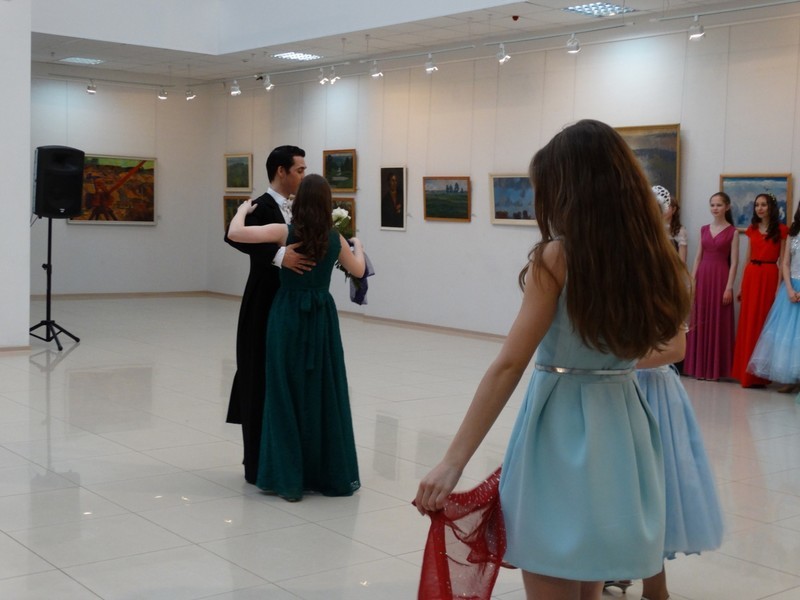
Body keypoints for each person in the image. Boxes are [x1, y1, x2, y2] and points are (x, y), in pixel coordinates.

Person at [415, 119, 691, 600]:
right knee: (587, 579)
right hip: (623, 427)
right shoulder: (654, 257)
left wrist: (452, 461)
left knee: (554, 567)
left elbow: (509, 364)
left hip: (562, 427)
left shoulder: (557, 257)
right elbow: (666, 345)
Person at [228, 174, 365, 501]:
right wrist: (358, 246)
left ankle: (286, 474)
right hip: (321, 318)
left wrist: (242, 210)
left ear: (299, 202)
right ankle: (323, 470)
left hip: (287, 316)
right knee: (321, 390)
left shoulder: (284, 232)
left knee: (283, 391)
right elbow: (359, 270)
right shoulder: (335, 238)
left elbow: (235, 233)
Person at [224, 145, 311, 484]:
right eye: (299, 170)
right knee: (257, 374)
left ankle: (287, 456)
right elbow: (234, 238)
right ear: (281, 171)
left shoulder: (302, 206)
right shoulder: (259, 206)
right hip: (263, 302)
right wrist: (278, 257)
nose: (303, 175)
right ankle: (256, 463)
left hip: (293, 304)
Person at [633, 330, 724, 600]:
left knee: (652, 486)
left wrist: (616, 361)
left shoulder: (666, 298)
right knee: (623, 486)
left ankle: (654, 588)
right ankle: (620, 569)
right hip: (618, 384)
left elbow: (675, 350)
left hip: (652, 390)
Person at [731, 193, 788, 387]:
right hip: (752, 276)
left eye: (763, 205)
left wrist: (778, 288)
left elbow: (783, 261)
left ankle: (759, 376)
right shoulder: (752, 229)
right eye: (757, 205)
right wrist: (741, 286)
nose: (760, 208)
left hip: (770, 276)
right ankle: (744, 373)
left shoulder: (781, 230)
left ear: (771, 207)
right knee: (747, 323)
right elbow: (747, 258)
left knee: (763, 323)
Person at [684, 192, 739, 381]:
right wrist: (692, 281)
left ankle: (715, 370)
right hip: (703, 277)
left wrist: (729, 287)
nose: (715, 208)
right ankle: (698, 368)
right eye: (712, 205)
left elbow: (734, 263)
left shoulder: (733, 232)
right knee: (700, 319)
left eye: (719, 205)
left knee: (718, 321)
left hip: (721, 279)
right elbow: (697, 257)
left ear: (727, 207)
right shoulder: (704, 229)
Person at [748, 202, 800, 394]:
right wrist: (789, 288)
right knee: (786, 336)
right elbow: (785, 263)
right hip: (791, 287)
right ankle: (790, 378)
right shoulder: (793, 233)